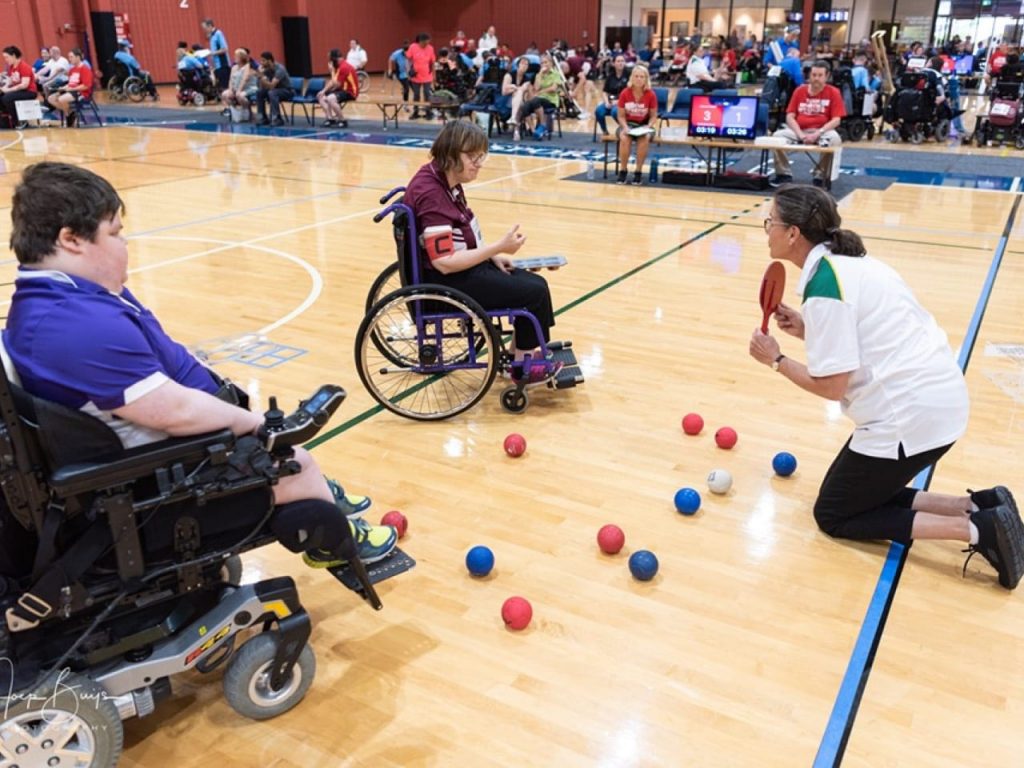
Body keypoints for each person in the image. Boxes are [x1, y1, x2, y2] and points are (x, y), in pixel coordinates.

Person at [3, 162, 397, 567]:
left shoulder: (66, 298)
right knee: (297, 459)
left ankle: (320, 489)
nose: (125, 243)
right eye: (115, 233)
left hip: (174, 446)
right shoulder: (76, 325)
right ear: (71, 239)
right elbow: (174, 412)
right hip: (167, 473)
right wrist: (257, 425)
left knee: (283, 447)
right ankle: (338, 540)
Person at [748, 184, 1023, 589]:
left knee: (834, 514)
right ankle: (979, 504)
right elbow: (861, 337)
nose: (766, 228)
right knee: (862, 491)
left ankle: (978, 530)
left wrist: (776, 360)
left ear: (793, 234)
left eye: (770, 221)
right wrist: (808, 328)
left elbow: (831, 386)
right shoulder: (852, 264)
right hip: (939, 400)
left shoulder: (825, 285)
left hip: (909, 417)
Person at [402, 121, 557, 377]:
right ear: (451, 153)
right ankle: (523, 368)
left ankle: (520, 355)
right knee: (533, 293)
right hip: (448, 281)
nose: (479, 163)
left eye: (481, 156)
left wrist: (493, 255)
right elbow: (444, 262)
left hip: (460, 271)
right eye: (472, 157)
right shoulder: (432, 193)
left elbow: (461, 236)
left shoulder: (444, 179)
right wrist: (498, 246)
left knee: (535, 283)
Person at [770, 60, 845, 187]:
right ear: (809, 75)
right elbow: (790, 116)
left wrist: (818, 133)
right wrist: (800, 134)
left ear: (827, 76)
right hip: (799, 130)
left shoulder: (834, 92)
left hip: (822, 131)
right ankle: (783, 174)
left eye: (820, 75)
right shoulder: (799, 90)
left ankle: (820, 175)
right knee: (777, 137)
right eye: (814, 75)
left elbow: (836, 120)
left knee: (835, 139)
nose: (816, 78)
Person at [615, 64, 657, 185]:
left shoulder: (651, 94)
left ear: (646, 79)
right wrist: (625, 127)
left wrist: (648, 126)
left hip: (644, 125)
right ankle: (623, 170)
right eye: (636, 76)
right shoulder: (625, 93)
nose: (639, 79)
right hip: (627, 124)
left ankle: (638, 172)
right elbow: (620, 116)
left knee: (644, 139)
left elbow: (653, 116)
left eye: (642, 77)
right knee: (624, 138)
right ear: (632, 78)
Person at [513, 53, 559, 140]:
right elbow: (536, 88)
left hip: (550, 100)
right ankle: (534, 130)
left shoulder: (555, 74)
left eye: (546, 62)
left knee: (535, 100)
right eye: (542, 63)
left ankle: (542, 124)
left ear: (551, 63)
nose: (544, 64)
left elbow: (553, 88)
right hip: (538, 99)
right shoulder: (538, 75)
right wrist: (540, 74)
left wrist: (541, 91)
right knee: (525, 106)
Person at [46, 47, 92, 127]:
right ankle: (70, 113)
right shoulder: (72, 70)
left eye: (71, 57)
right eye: (69, 57)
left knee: (61, 99)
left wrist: (72, 89)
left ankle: (69, 115)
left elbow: (86, 86)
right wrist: (64, 87)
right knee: (51, 98)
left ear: (78, 57)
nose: (69, 59)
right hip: (71, 90)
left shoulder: (85, 69)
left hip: (81, 92)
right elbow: (71, 83)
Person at [318, 48, 359, 127]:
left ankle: (342, 120)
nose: (329, 62)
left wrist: (332, 72)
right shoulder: (339, 66)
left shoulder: (344, 67)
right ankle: (330, 119)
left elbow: (336, 84)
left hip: (350, 92)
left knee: (330, 98)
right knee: (320, 96)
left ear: (334, 59)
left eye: (330, 60)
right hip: (342, 90)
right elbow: (332, 82)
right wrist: (323, 91)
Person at [1, 46, 38, 129]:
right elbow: (11, 81)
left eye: (7, 57)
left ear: (13, 55)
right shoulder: (11, 67)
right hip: (19, 91)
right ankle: (6, 122)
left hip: (29, 91)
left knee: (7, 98)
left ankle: (19, 122)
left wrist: (8, 90)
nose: (5, 60)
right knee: (1, 96)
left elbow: (24, 85)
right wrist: (4, 88)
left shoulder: (24, 66)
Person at [255, 51, 293, 126]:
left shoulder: (280, 69)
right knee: (259, 92)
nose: (261, 63)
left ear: (269, 61)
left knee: (272, 92)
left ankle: (277, 118)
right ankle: (263, 117)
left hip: (287, 91)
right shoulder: (265, 69)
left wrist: (261, 77)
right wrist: (260, 77)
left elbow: (272, 86)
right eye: (261, 61)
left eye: (263, 61)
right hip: (275, 91)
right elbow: (260, 86)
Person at [595, 54, 629, 135]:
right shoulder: (610, 76)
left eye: (622, 61)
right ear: (614, 63)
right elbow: (604, 92)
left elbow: (631, 92)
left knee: (615, 112)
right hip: (611, 101)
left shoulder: (629, 75)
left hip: (624, 102)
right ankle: (605, 132)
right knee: (598, 111)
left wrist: (619, 101)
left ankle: (626, 129)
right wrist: (607, 102)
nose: (620, 63)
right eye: (618, 61)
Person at [220, 48, 258, 118]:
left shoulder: (247, 66)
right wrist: (230, 90)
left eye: (236, 56)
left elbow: (244, 79)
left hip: (249, 88)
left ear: (241, 57)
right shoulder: (234, 67)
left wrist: (239, 90)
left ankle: (247, 110)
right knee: (224, 94)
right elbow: (231, 80)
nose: (234, 57)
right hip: (236, 88)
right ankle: (235, 111)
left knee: (240, 95)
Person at [408, 33, 436, 120]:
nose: (426, 44)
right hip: (416, 76)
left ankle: (428, 112)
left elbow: (433, 62)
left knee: (427, 93)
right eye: (425, 42)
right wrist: (409, 71)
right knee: (416, 94)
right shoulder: (413, 47)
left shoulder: (430, 48)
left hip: (427, 75)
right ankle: (415, 112)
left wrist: (434, 75)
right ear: (420, 41)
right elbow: (408, 59)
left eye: (428, 42)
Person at [201, 18, 231, 90]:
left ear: (210, 26)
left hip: (223, 65)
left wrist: (212, 53)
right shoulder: (211, 36)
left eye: (205, 28)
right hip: (217, 66)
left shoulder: (218, 33)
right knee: (219, 87)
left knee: (225, 87)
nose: (204, 30)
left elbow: (225, 49)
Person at [387, 41, 412, 105]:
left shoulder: (412, 53)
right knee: (406, 88)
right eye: (405, 53)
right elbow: (390, 59)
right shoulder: (397, 53)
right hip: (401, 73)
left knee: (414, 89)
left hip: (410, 72)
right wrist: (390, 70)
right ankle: (405, 104)